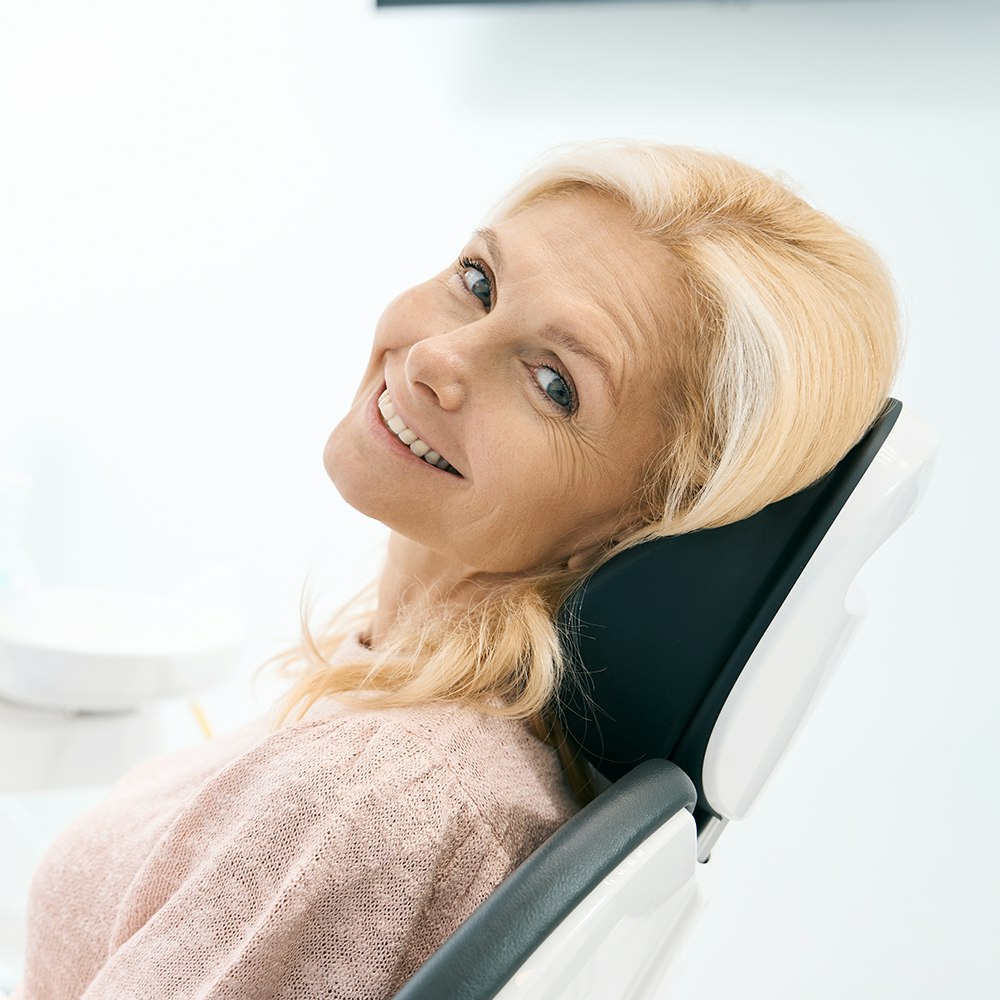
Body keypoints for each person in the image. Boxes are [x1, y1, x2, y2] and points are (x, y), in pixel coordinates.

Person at [13, 139, 899, 999]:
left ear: (645, 522)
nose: (437, 357)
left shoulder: (374, 800)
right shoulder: (400, 727)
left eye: (554, 382)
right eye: (478, 283)